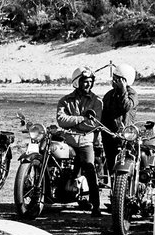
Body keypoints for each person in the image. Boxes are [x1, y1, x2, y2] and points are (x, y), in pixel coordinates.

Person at [56, 65, 104, 215]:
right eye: (84, 81)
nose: (88, 84)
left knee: (90, 168)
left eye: (90, 81)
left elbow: (93, 123)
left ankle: (95, 205)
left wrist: (74, 122)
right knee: (53, 158)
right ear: (77, 82)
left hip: (85, 141)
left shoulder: (97, 101)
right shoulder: (65, 101)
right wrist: (81, 119)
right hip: (67, 140)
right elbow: (61, 120)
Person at [101, 63, 139, 170]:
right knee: (110, 164)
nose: (113, 81)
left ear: (124, 81)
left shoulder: (132, 94)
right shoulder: (109, 95)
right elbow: (104, 113)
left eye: (117, 79)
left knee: (125, 163)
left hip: (125, 136)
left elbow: (126, 106)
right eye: (113, 78)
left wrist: (123, 91)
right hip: (109, 135)